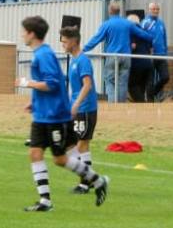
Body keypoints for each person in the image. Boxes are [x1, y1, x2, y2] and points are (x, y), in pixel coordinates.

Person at [16, 16, 109, 211]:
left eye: (24, 31)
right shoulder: (41, 54)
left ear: (32, 34)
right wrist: (34, 102)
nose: (22, 35)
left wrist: (27, 83)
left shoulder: (44, 55)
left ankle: (97, 180)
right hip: (41, 115)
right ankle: (45, 201)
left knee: (61, 158)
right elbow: (55, 82)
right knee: (35, 153)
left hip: (55, 115)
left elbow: (52, 83)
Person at [83, 2, 153, 103]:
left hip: (112, 56)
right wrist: (152, 37)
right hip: (126, 57)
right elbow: (144, 35)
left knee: (110, 80)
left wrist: (83, 49)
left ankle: (113, 105)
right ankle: (121, 106)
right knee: (123, 82)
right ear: (119, 11)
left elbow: (96, 39)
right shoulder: (128, 23)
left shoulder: (106, 24)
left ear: (109, 11)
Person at [59, 25, 98, 195]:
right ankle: (89, 179)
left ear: (74, 41)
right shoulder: (74, 60)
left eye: (65, 41)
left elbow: (87, 85)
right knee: (79, 145)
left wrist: (76, 104)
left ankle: (85, 183)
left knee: (81, 144)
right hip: (77, 108)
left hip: (86, 108)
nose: (62, 45)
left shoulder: (83, 61)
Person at [142, 2, 170, 101]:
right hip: (150, 56)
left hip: (161, 55)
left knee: (165, 77)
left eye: (157, 9)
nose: (156, 11)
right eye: (153, 9)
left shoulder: (161, 23)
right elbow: (141, 38)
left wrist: (165, 52)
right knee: (150, 80)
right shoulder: (145, 23)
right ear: (149, 10)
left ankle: (153, 92)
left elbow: (164, 38)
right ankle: (150, 103)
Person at [127, 13, 153, 102]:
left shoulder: (131, 32)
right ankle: (142, 106)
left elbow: (132, 47)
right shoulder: (145, 32)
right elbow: (150, 47)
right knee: (141, 87)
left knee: (132, 86)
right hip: (148, 64)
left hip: (136, 64)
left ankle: (143, 105)